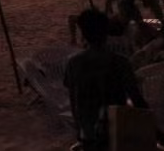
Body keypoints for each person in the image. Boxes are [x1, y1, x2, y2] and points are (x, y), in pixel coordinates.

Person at [64, 8, 150, 151]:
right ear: (106, 33)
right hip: (118, 129)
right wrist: (155, 130)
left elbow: (74, 100)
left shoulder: (74, 63)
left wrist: (79, 130)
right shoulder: (120, 62)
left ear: (84, 34)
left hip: (89, 132)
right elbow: (137, 99)